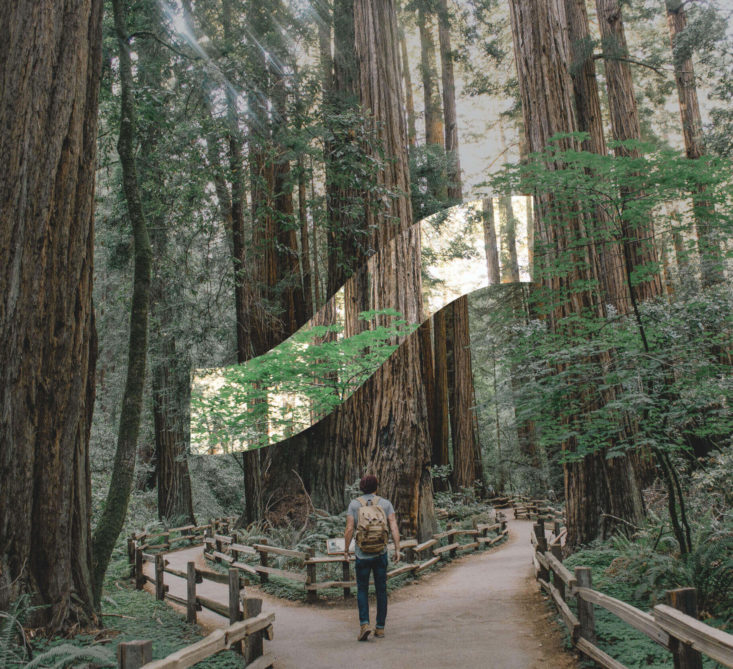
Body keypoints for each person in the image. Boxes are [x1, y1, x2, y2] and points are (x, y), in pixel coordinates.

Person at [344, 474, 401, 641]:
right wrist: (397, 548)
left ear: (361, 487)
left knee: (362, 589)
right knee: (381, 590)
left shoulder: (354, 505)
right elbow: (394, 526)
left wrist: (346, 550)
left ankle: (364, 624)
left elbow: (349, 529)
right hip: (380, 554)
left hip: (362, 555)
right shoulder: (385, 504)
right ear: (377, 487)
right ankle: (380, 628)